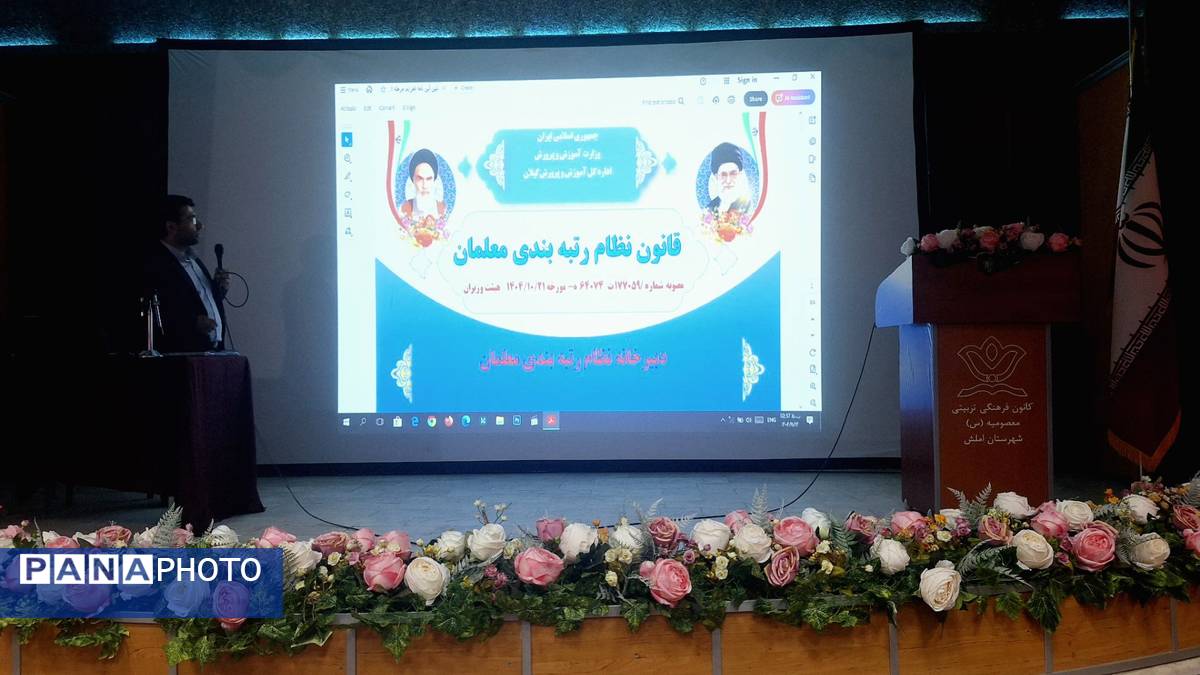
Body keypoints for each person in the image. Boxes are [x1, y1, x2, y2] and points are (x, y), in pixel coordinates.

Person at [141, 195, 230, 352]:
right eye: (192, 219)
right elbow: (156, 311)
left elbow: (196, 301)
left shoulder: (194, 260)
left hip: (211, 354)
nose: (200, 225)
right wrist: (192, 323)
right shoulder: (154, 264)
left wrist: (218, 291)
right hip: (180, 357)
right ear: (171, 227)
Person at [706, 142, 753, 216]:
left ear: (740, 175)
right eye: (723, 175)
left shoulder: (749, 207)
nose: (728, 181)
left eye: (733, 174)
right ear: (716, 177)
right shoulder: (708, 210)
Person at [400, 148, 446, 220]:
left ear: (434, 180)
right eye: (420, 179)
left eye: (429, 179)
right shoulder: (404, 209)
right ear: (413, 180)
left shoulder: (443, 209)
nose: (425, 185)